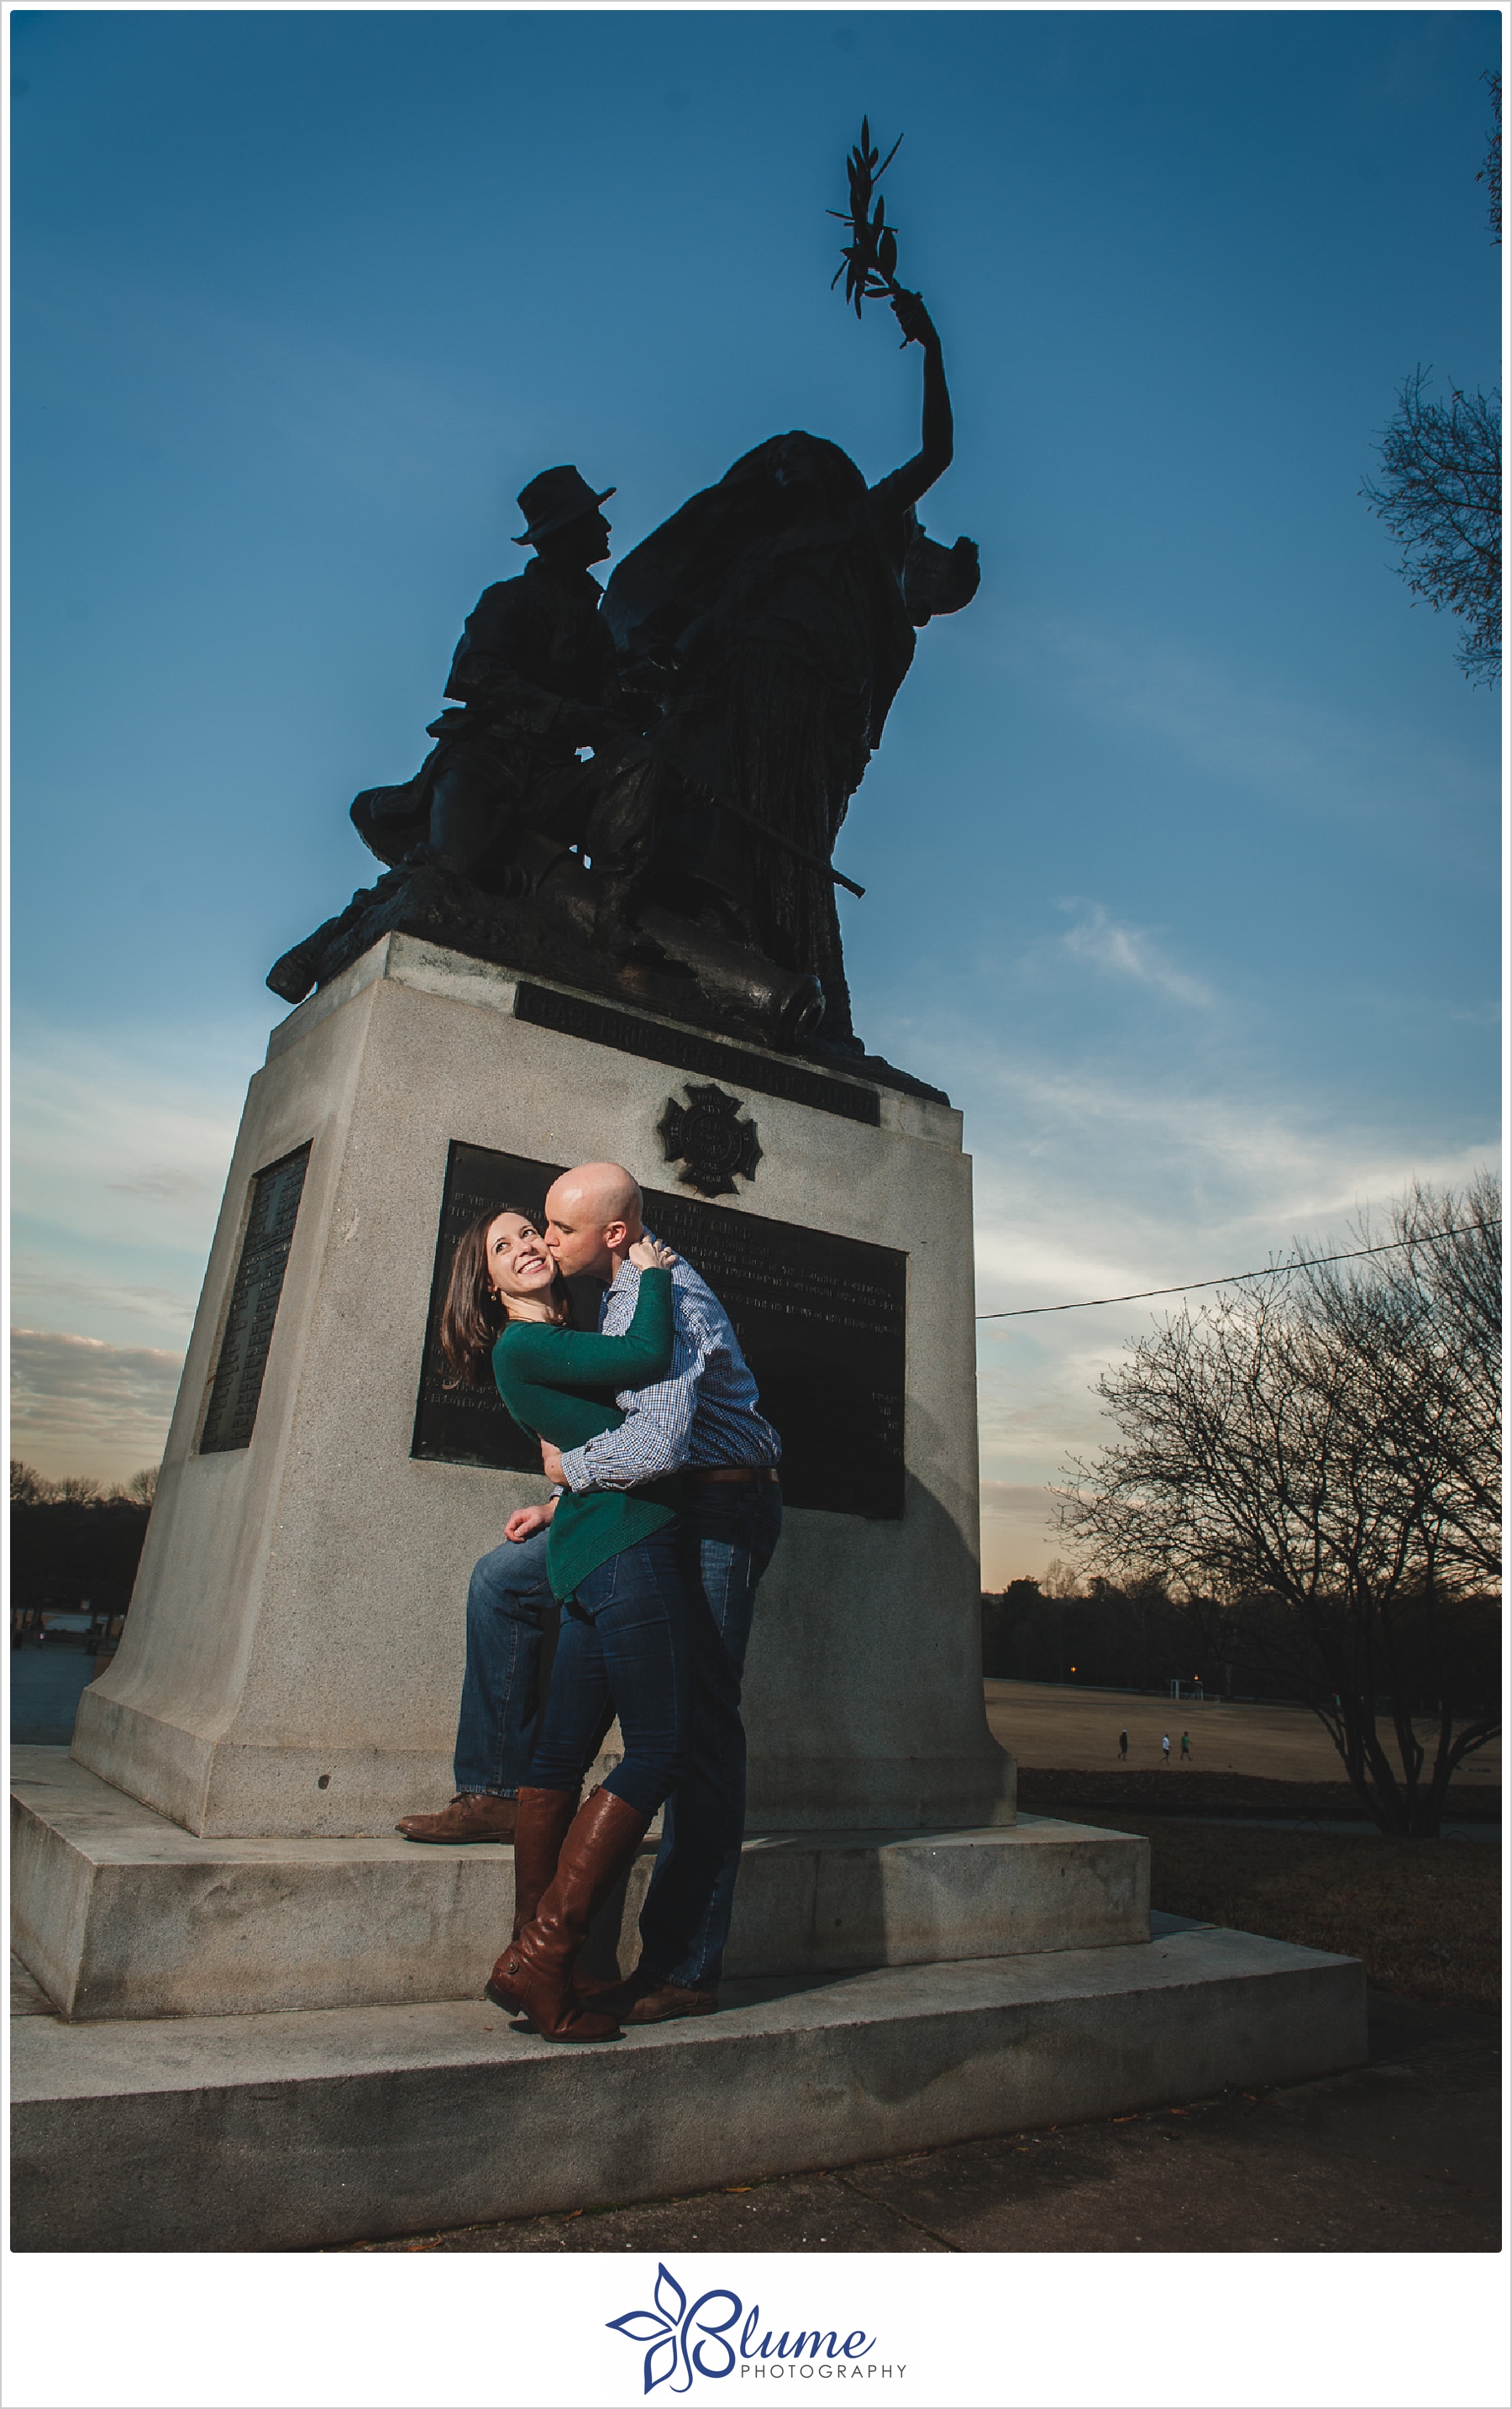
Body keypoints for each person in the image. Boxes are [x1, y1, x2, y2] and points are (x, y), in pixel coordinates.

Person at [601, 290, 978, 1049]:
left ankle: (786, 977)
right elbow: (700, 627)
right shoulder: (755, 554)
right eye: (782, 459)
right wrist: (663, 665)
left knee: (785, 846)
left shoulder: (858, 525)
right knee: (705, 820)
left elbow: (937, 453)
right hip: (737, 696)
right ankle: (695, 945)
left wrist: (933, 347)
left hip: (804, 716)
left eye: (804, 457)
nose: (791, 466)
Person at [434, 1201, 690, 2043]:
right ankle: (548, 1953)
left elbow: (592, 1435)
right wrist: (654, 1272)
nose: (526, 1246)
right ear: (488, 1280)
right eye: (501, 1246)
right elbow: (648, 1355)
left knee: (556, 1759)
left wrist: (552, 1502)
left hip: (586, 1549)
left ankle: (541, 1962)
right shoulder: (525, 1341)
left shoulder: (545, 1342)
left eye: (529, 1231)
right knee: (660, 1748)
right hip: (626, 1543)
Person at [534, 1161, 782, 2026]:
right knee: (513, 1594)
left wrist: (574, 1470)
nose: (543, 1240)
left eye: (558, 1228)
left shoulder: (662, 1293)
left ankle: (683, 1966)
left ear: (610, 1232)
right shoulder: (615, 1294)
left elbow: (662, 1438)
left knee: (702, 1732)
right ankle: (520, 1851)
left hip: (719, 1505)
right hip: (663, 1508)